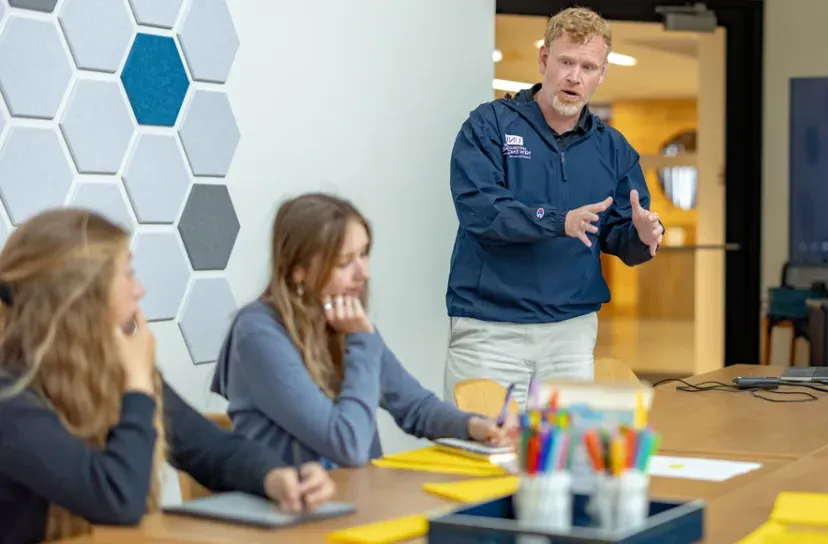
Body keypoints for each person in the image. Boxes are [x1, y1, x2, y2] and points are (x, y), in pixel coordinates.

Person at [0, 209, 335, 544]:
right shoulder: (9, 397)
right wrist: (137, 386)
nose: (140, 290)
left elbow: (213, 449)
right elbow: (116, 498)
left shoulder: (110, 373)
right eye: (127, 274)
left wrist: (274, 478)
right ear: (79, 297)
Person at [443, 7, 664, 407]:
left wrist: (645, 237)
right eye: (565, 62)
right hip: (490, 330)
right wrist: (560, 221)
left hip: (571, 333)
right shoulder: (489, 126)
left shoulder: (613, 149)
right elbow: (482, 212)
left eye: (588, 66)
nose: (574, 77)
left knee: (564, 464)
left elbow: (620, 236)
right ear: (544, 59)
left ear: (602, 74)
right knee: (477, 455)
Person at [210, 193, 509, 470]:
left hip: (355, 500)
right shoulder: (258, 331)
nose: (363, 273)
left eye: (364, 254)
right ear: (298, 269)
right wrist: (362, 341)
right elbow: (348, 445)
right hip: (291, 511)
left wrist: (473, 425)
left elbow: (415, 407)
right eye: (344, 262)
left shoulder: (342, 320)